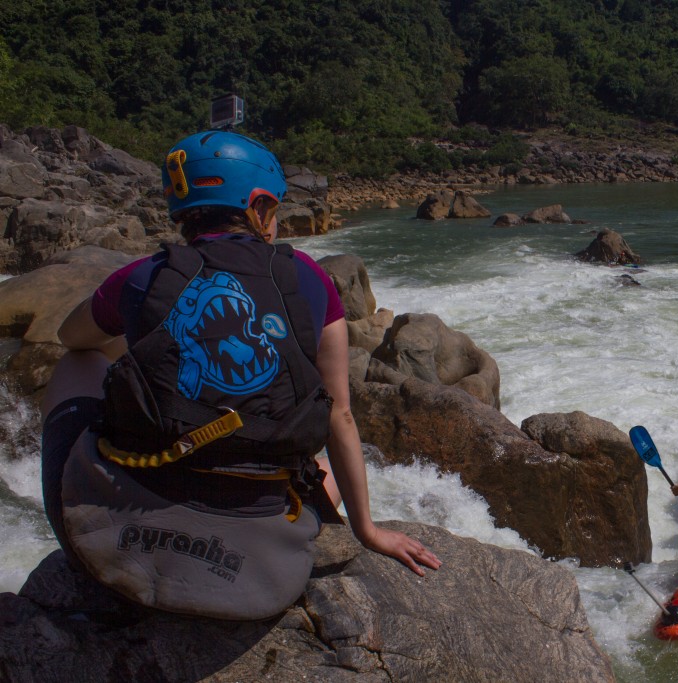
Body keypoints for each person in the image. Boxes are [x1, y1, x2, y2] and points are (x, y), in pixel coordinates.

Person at [41, 129, 440, 620]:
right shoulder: (311, 279)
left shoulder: (143, 275)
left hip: (119, 543)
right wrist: (368, 531)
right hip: (259, 574)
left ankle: (85, 494)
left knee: (77, 364)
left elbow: (71, 337)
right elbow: (340, 415)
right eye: (273, 208)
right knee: (325, 472)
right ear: (257, 208)